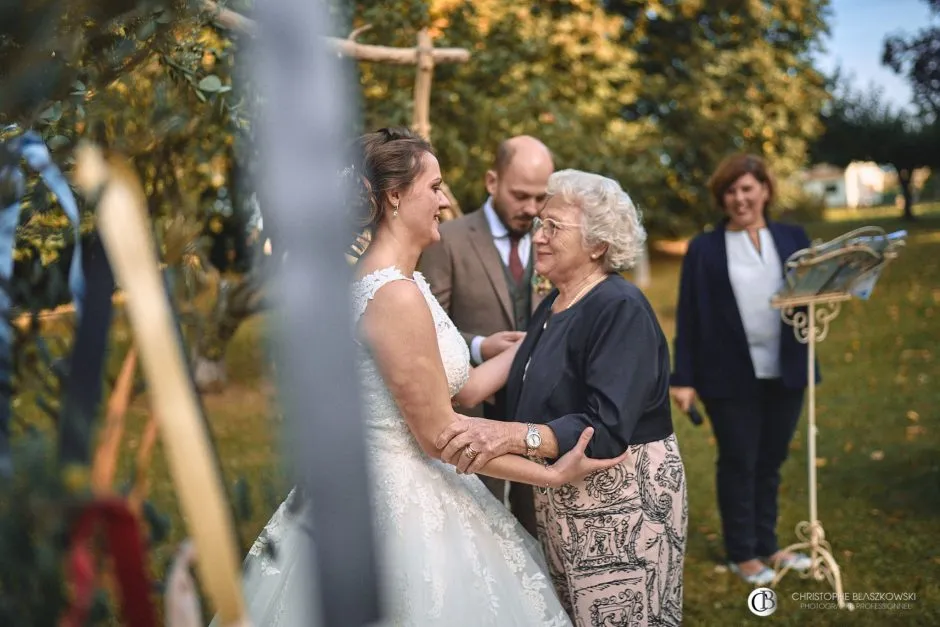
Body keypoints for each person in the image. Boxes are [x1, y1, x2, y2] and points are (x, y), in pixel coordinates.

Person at [232, 129, 629, 627]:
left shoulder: (407, 281)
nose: (445, 199)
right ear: (395, 197)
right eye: (435, 186)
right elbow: (442, 436)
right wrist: (549, 473)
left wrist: (541, 333)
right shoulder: (394, 296)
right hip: (397, 504)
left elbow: (462, 392)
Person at [436, 170, 687, 626]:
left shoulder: (620, 307)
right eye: (540, 225)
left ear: (598, 245)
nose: (539, 236)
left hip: (623, 503)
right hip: (565, 499)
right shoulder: (553, 306)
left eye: (554, 227)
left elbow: (606, 430)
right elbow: (477, 386)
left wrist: (510, 436)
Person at [669, 153, 814, 586]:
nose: (739, 198)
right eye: (730, 191)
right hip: (727, 375)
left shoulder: (793, 237)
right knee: (739, 460)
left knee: (770, 460)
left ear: (765, 190)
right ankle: (742, 553)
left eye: (747, 188)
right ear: (722, 198)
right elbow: (689, 314)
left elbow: (813, 294)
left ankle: (768, 544)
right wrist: (684, 377)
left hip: (785, 368)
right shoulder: (705, 247)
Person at [419, 135, 554, 537]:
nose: (531, 209)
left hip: (541, 410)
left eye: (540, 197)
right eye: (520, 195)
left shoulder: (552, 237)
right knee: (484, 523)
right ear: (492, 181)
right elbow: (427, 323)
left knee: (541, 524)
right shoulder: (449, 239)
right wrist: (480, 346)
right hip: (472, 408)